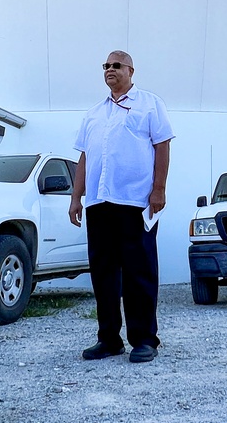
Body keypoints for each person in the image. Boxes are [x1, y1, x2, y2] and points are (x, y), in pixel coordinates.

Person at [69, 51, 173, 364]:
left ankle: (144, 340)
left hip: (135, 201)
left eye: (116, 65)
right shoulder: (94, 113)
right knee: (103, 273)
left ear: (130, 70)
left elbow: (162, 145)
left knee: (139, 271)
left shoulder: (149, 104)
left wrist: (159, 189)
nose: (110, 70)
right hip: (99, 203)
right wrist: (77, 197)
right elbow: (85, 157)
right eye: (106, 66)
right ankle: (109, 338)